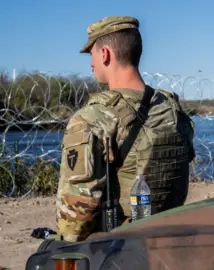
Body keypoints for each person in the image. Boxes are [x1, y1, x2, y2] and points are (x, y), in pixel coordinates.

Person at [55, 16, 195, 242]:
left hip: (120, 248)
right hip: (170, 238)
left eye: (92, 55)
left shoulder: (93, 118)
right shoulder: (172, 109)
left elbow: (75, 223)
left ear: (105, 54)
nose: (91, 64)